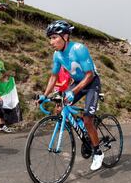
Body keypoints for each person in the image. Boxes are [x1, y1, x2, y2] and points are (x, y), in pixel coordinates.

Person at [37, 20, 104, 171]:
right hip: (78, 82)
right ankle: (83, 131)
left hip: (91, 82)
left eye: (54, 37)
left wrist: (72, 91)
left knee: (88, 119)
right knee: (61, 107)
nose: (51, 42)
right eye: (50, 38)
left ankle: (98, 152)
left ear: (65, 37)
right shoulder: (57, 55)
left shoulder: (79, 49)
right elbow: (53, 77)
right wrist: (44, 95)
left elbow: (90, 74)